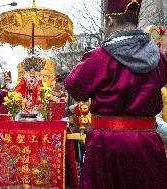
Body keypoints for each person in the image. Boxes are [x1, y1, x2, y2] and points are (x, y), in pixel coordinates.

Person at [64, 0, 167, 188]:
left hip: (106, 145)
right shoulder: (159, 58)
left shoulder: (98, 57)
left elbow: (75, 88)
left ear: (110, 21)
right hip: (147, 142)